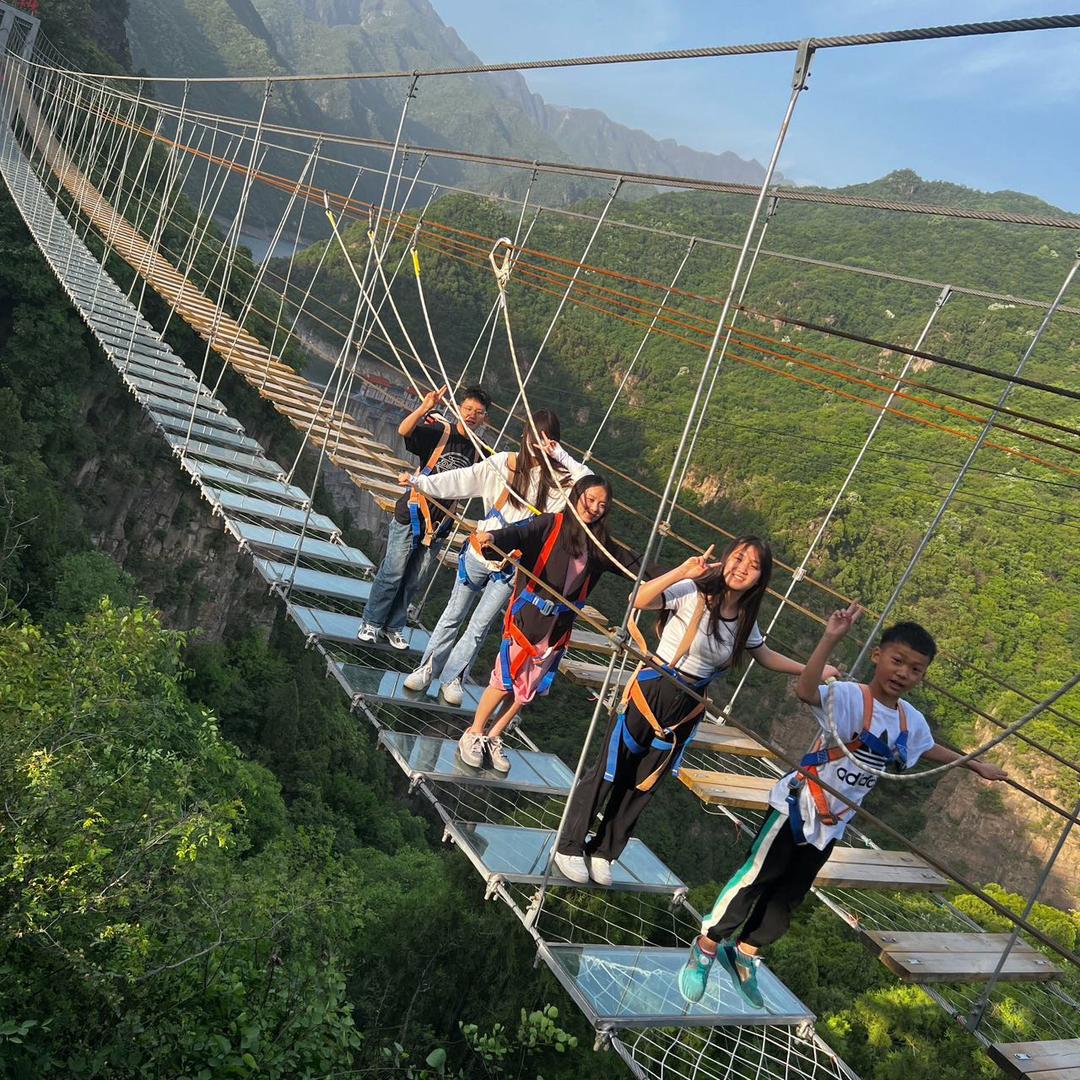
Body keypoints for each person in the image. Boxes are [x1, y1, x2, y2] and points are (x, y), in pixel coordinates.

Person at [679, 607, 1009, 1009]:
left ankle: (745, 953)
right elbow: (805, 691)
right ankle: (708, 946)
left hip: (833, 824)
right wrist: (830, 638)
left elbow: (927, 749)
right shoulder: (850, 696)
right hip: (797, 807)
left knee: (791, 895)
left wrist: (975, 763)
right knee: (757, 879)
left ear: (922, 677)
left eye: (915, 669)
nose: (903, 673)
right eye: (897, 660)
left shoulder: (911, 721)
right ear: (878, 657)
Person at [553, 535, 835, 888]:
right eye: (738, 558)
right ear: (726, 558)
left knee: (644, 783)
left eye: (753, 565)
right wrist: (682, 571)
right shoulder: (693, 589)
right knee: (611, 769)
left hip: (688, 705)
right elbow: (638, 599)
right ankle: (569, 845)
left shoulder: (746, 618)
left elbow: (765, 656)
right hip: (653, 688)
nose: (742, 568)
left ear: (760, 578)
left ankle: (604, 852)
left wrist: (815, 670)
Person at [400, 409, 590, 705]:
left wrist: (561, 455)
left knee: (479, 626)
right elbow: (463, 479)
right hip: (479, 552)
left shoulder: (561, 483)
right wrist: (421, 483)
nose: (538, 446)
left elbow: (590, 483)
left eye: (547, 440)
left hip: (512, 565)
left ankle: (453, 679)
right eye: (535, 439)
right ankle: (427, 668)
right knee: (453, 614)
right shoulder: (505, 463)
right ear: (526, 436)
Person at [458, 474, 639, 773]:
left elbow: (635, 565)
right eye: (589, 499)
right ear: (576, 495)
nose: (594, 508)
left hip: (556, 630)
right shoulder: (550, 525)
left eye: (601, 505)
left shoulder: (599, 546)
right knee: (505, 680)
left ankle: (494, 736)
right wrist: (494, 538)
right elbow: (518, 534)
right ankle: (474, 731)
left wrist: (686, 573)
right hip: (527, 619)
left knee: (525, 690)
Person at [357, 384, 491, 650]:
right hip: (413, 513)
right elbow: (404, 430)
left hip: (441, 524)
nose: (471, 415)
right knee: (393, 572)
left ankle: (393, 627)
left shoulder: (482, 453)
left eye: (478, 412)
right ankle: (371, 622)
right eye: (467, 409)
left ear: (484, 417)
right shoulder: (440, 432)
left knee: (414, 580)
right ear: (458, 409)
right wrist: (424, 408)